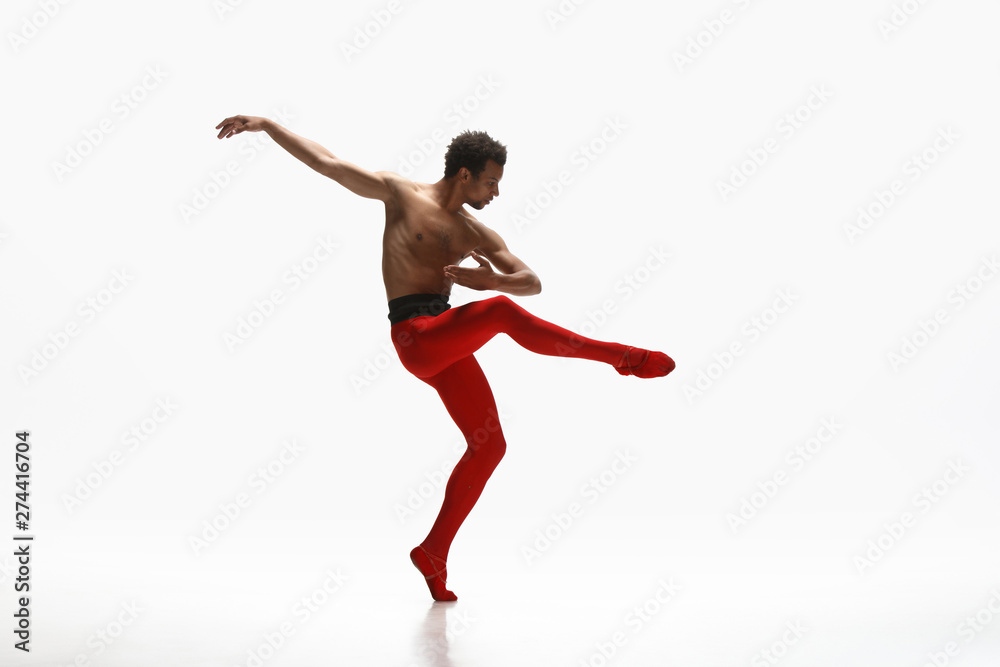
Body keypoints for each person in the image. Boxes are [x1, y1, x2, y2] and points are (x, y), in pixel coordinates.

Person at [215, 115, 676, 601]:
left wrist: (491, 280)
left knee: (490, 445)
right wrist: (266, 125)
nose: (496, 192)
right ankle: (620, 358)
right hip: (415, 336)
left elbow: (532, 281)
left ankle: (433, 552)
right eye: (491, 182)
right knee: (499, 313)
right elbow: (326, 163)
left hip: (446, 340)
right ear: (465, 175)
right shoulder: (400, 193)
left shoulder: (476, 233)